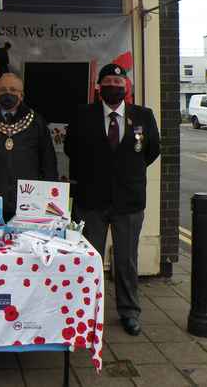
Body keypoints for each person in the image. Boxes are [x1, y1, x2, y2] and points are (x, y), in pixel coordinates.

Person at [64, 64, 160, 336]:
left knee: (126, 260)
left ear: (126, 85)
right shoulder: (82, 115)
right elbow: (72, 149)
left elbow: (152, 151)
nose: (113, 85)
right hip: (91, 201)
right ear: (99, 86)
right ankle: (86, 311)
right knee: (88, 258)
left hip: (128, 202)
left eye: (118, 80)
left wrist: (126, 172)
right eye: (107, 80)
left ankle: (129, 312)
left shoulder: (143, 115)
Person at [0, 72, 58, 221]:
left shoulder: (36, 122)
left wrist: (49, 201)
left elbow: (49, 164)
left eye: (13, 90)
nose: (8, 93)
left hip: (29, 205)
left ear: (21, 95)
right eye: (3, 90)